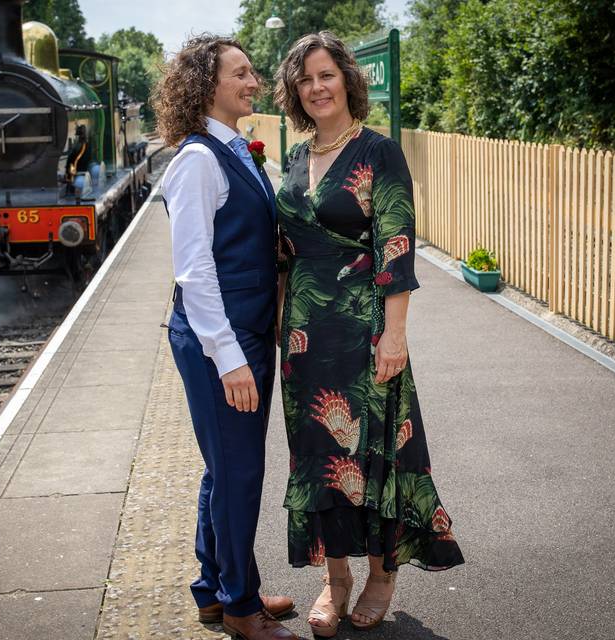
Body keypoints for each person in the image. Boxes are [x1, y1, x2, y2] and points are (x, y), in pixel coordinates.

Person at [272, 31, 465, 637]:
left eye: (325, 75)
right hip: (303, 340)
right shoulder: (296, 157)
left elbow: (397, 249)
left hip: (364, 333)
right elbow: (285, 253)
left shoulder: (378, 153)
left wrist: (396, 336)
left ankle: (382, 576)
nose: (316, 88)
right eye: (304, 80)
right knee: (319, 458)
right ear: (294, 92)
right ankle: (336, 579)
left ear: (347, 81)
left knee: (374, 451)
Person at [153, 35, 300, 640]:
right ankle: (242, 608)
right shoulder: (197, 161)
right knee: (238, 471)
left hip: (244, 332)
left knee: (225, 468)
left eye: (251, 70)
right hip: (223, 341)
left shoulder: (235, 151)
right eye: (241, 72)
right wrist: (230, 359)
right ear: (206, 84)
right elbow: (194, 269)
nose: (253, 80)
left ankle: (215, 588)